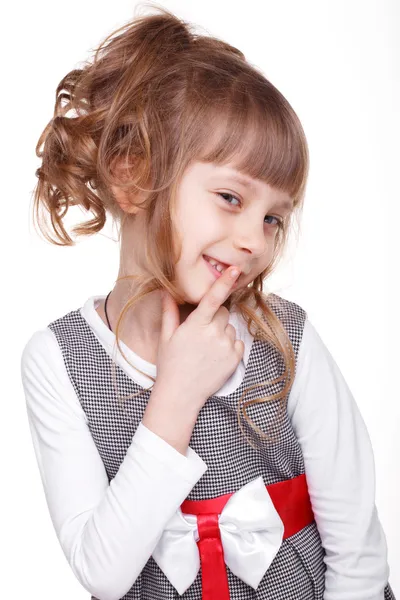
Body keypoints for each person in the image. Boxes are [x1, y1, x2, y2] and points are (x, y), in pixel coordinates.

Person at [20, 5, 396, 600]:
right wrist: (176, 395)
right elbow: (103, 572)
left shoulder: (284, 338)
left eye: (273, 217)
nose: (255, 239)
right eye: (229, 197)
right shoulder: (57, 360)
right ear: (133, 175)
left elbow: (358, 550)